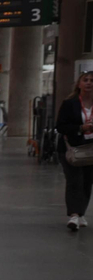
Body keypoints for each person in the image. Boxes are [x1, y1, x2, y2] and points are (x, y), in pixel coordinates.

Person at [56, 69, 93, 230]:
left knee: (87, 181)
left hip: (91, 149)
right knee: (74, 181)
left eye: (92, 80)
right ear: (79, 84)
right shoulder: (70, 103)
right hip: (71, 148)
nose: (89, 83)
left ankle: (82, 213)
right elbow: (60, 126)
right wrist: (80, 128)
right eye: (86, 80)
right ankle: (74, 215)